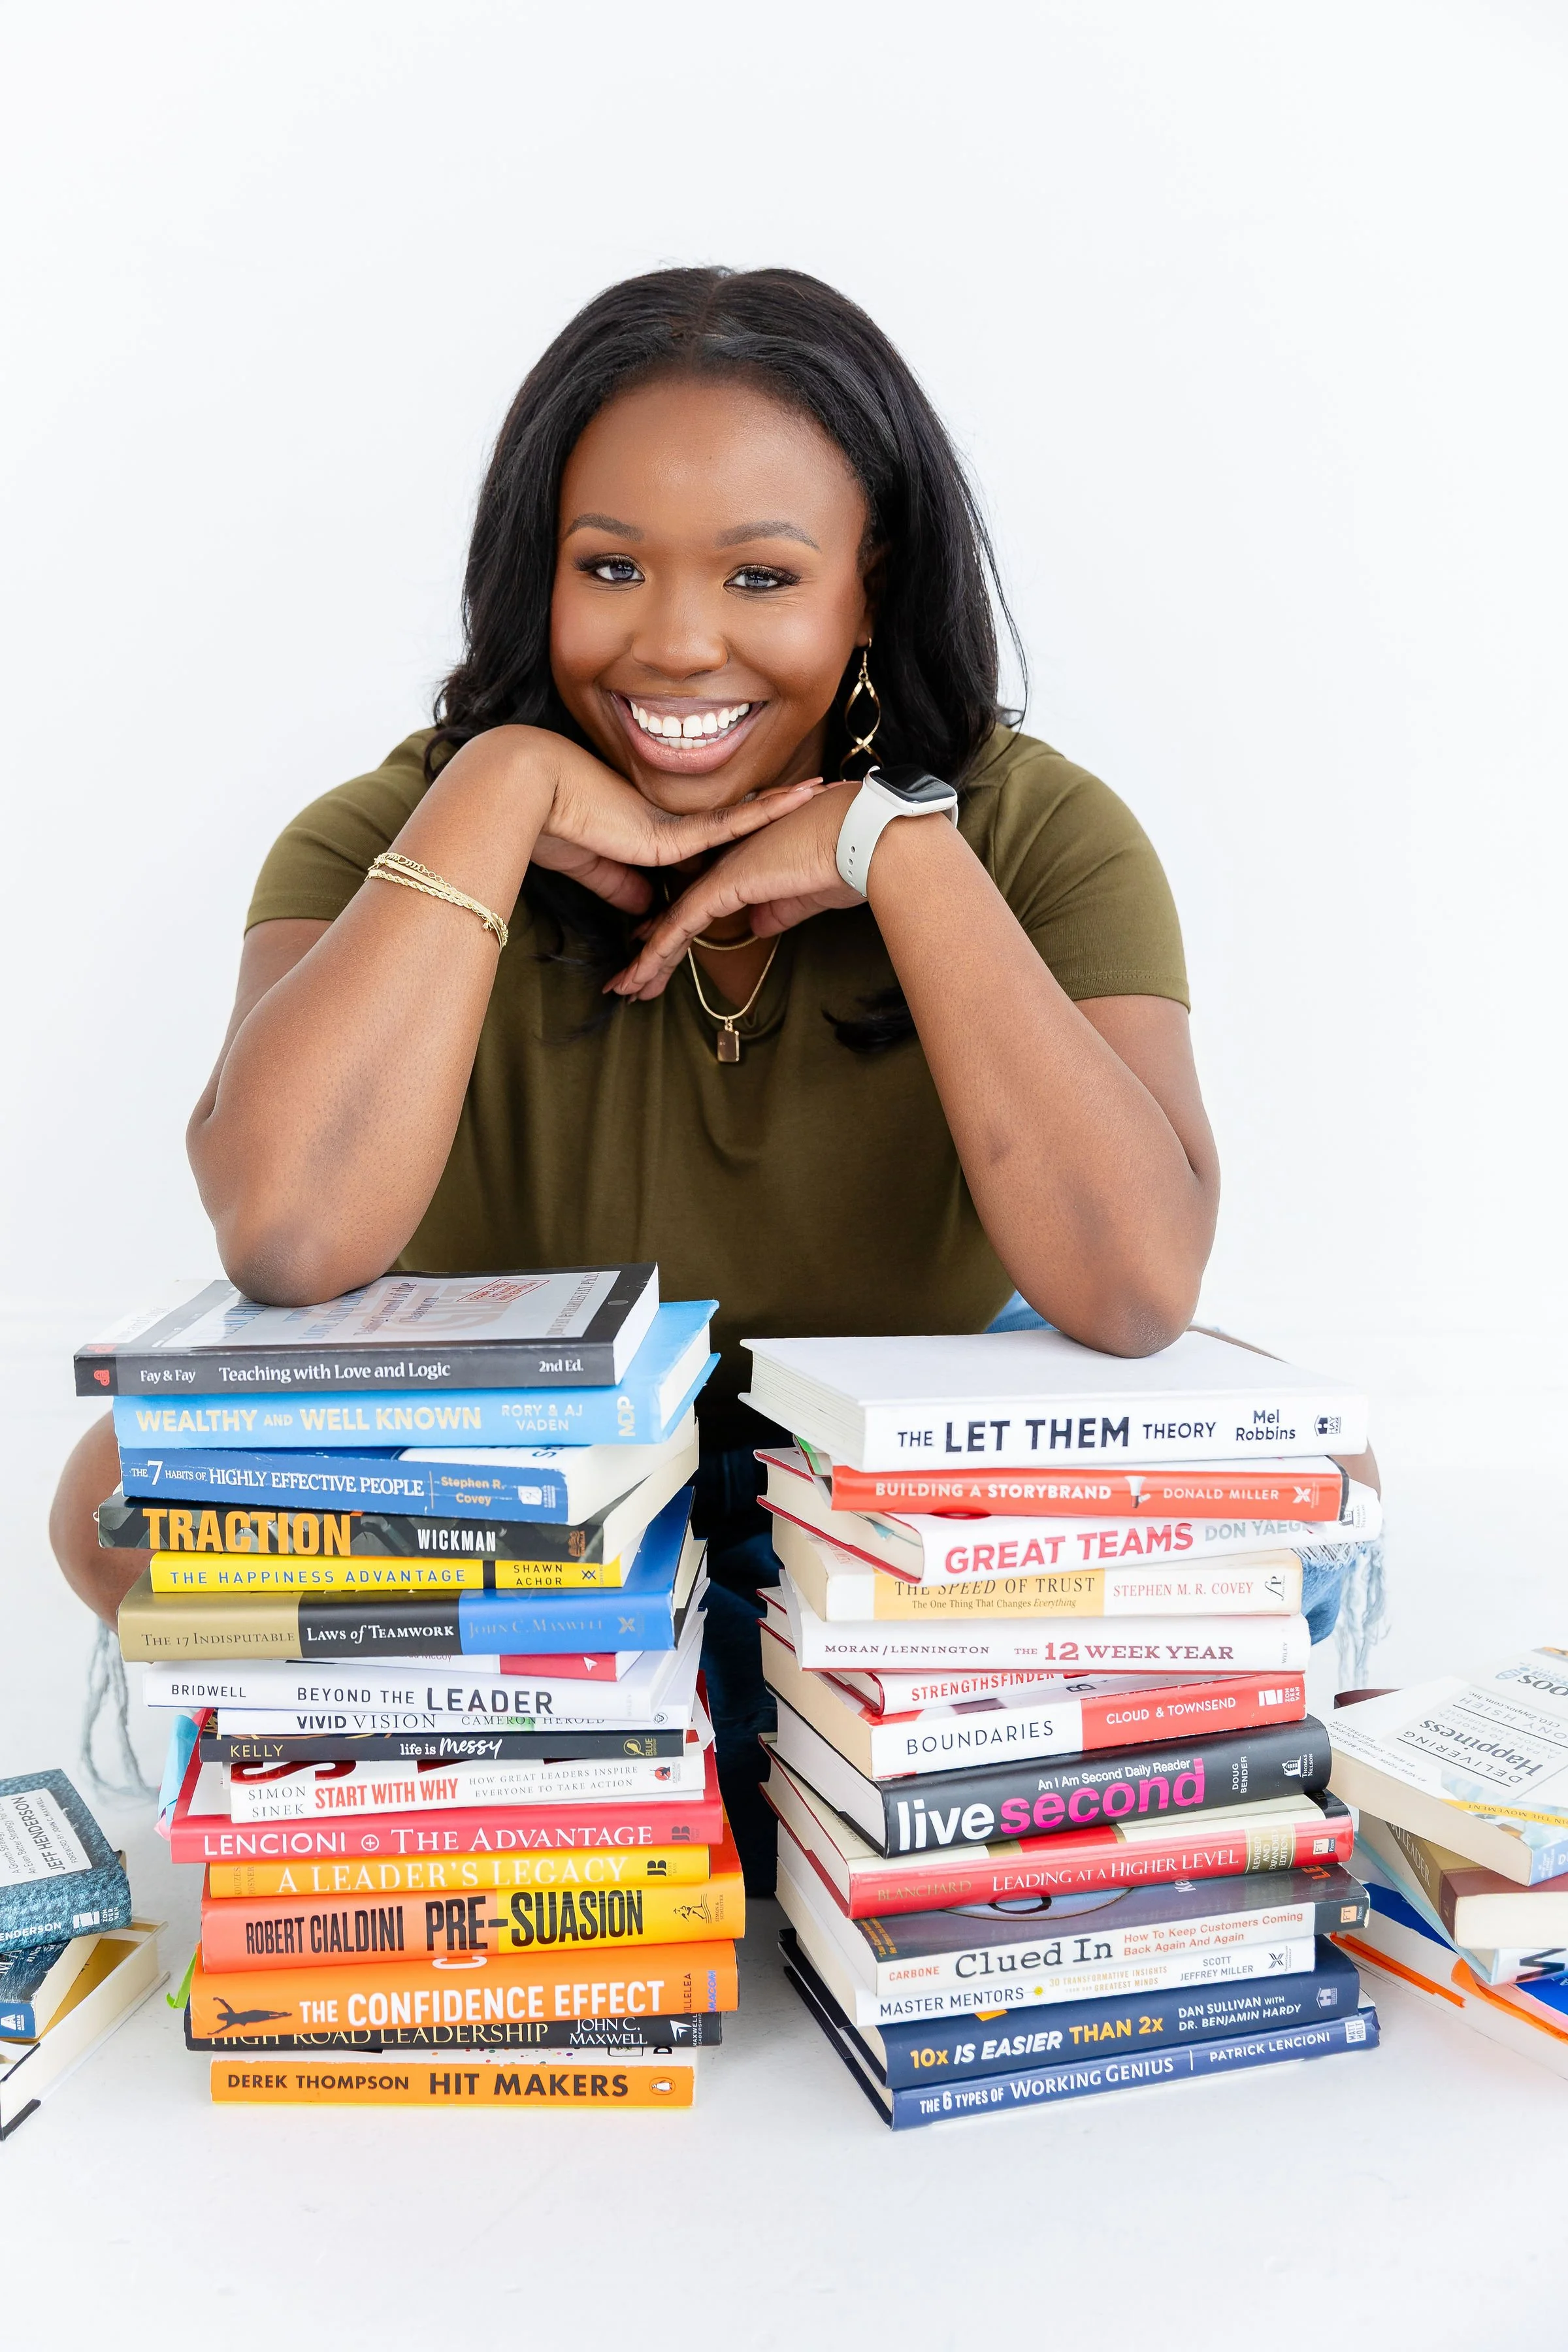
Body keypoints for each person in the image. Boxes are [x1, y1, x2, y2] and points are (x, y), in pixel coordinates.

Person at [50, 265, 1368, 1886]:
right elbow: (288, 1237)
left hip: (881, 1525)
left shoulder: (1037, 833)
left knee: (1290, 1502)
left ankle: (761, 1772)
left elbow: (1134, 1284)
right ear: (537, 574)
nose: (677, 647)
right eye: (610, 569)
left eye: (762, 574)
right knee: (120, 1507)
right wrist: (496, 786)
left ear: (871, 583)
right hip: (522, 1535)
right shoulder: (381, 836)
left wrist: (901, 848)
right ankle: (664, 1770)